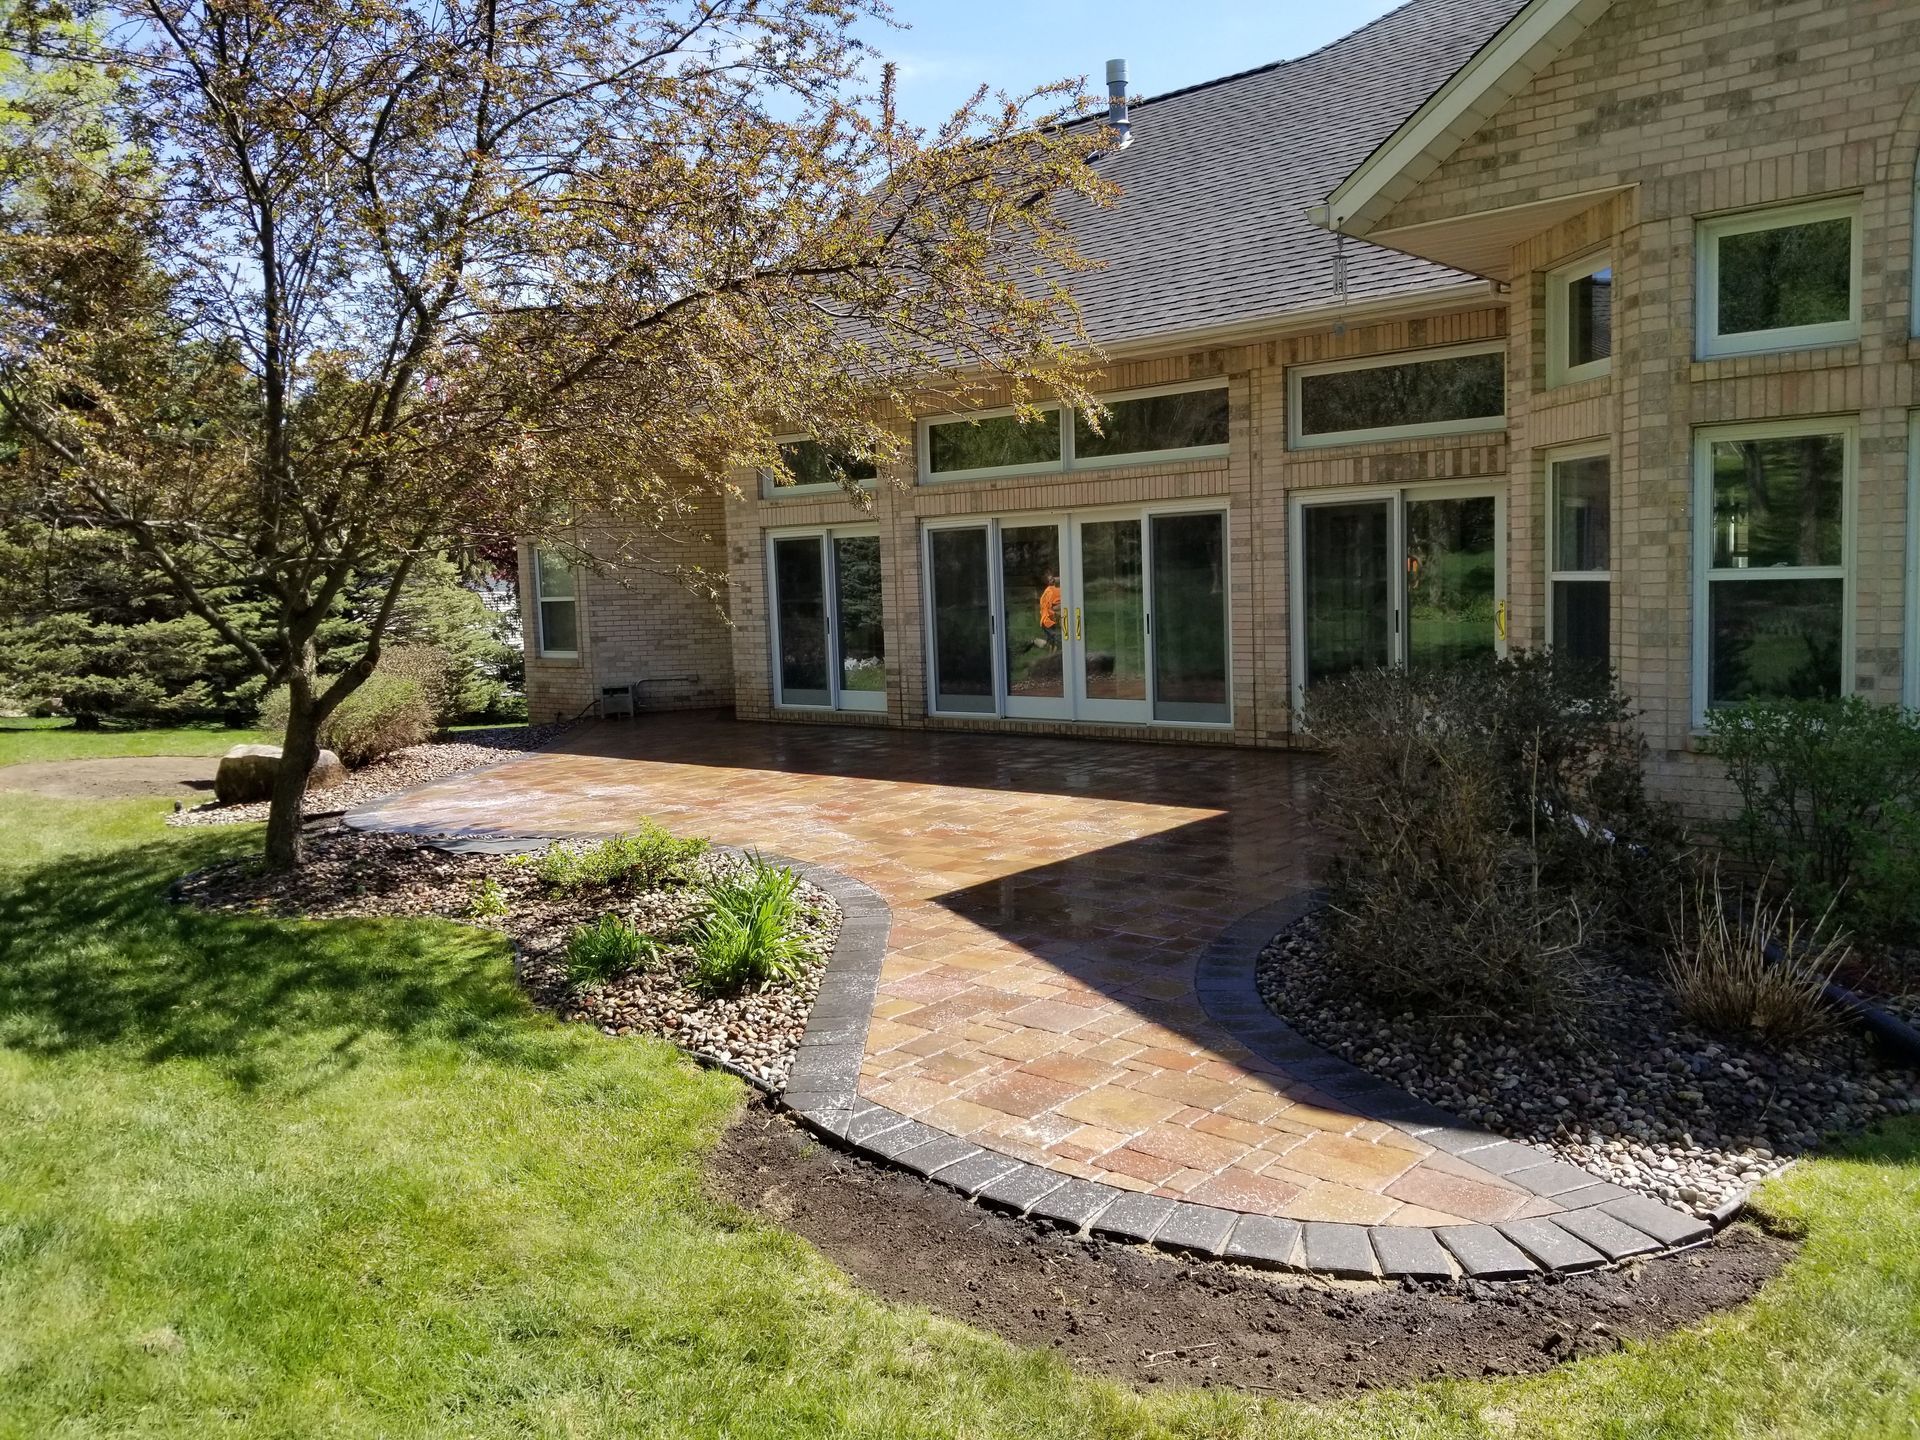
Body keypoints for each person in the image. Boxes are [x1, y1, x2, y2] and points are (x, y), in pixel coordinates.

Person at [1038, 572, 1062, 650]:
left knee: (1052, 643)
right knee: (1057, 643)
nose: (1054, 580)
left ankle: (1035, 642)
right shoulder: (1051, 591)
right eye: (1051, 579)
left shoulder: (1049, 591)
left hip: (1048, 621)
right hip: (1048, 621)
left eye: (1053, 578)